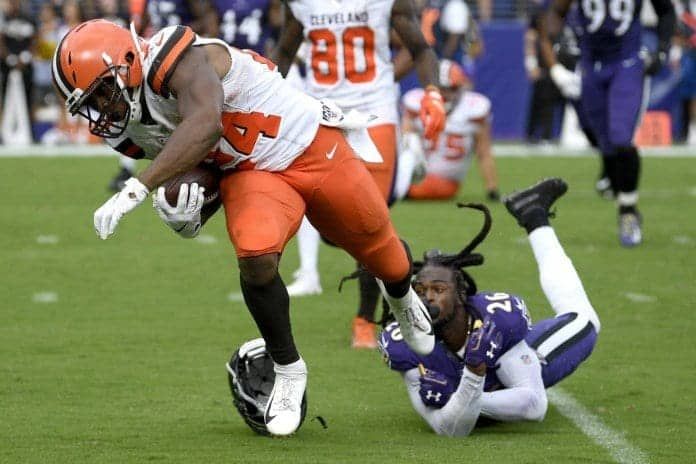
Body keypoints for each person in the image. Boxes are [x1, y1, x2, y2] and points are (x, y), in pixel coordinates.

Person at [52, 18, 440, 436]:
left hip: (307, 143)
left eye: (102, 94)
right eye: (89, 103)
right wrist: (188, 211)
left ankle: (401, 297)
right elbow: (203, 161)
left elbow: (206, 124)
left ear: (126, 62)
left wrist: (138, 189)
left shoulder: (175, 57)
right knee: (255, 257)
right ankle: (289, 369)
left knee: (382, 251)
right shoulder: (129, 130)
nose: (101, 111)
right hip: (253, 172)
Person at [272, 0, 447, 349]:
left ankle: (365, 320)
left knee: (371, 223)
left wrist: (433, 93)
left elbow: (421, 49)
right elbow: (285, 51)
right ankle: (393, 280)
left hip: (375, 115)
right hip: (323, 116)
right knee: (334, 232)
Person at [379, 178, 601, 436]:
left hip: (514, 371)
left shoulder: (495, 321)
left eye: (439, 290)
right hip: (493, 392)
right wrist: (472, 383)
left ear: (461, 293)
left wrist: (460, 393)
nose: (428, 298)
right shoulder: (405, 341)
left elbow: (533, 406)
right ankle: (533, 210)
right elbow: (447, 428)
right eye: (420, 291)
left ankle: (534, 217)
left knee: (586, 321)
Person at [539, 0, 676, 247]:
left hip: (627, 62)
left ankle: (628, 210)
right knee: (601, 139)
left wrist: (663, 48)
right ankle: (610, 172)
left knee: (621, 138)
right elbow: (556, 11)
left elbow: (665, 10)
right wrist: (559, 42)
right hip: (590, 65)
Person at [400, 59, 499, 201]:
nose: (444, 94)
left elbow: (484, 153)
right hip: (413, 173)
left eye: (450, 89)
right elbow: (403, 144)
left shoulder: (475, 109)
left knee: (401, 189)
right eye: (440, 89)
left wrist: (492, 189)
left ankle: (398, 189)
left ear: (460, 88)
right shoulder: (415, 103)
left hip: (445, 180)